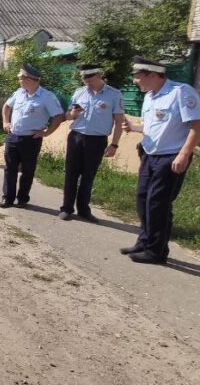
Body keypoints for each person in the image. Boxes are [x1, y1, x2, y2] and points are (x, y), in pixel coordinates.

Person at [119, 56, 200, 264]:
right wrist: (134, 128)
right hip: (149, 154)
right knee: (142, 198)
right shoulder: (151, 96)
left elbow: (196, 126)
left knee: (158, 203)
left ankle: (156, 251)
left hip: (171, 156)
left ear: (152, 74)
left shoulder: (180, 93)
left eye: (137, 77)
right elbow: (152, 125)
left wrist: (184, 154)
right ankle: (144, 241)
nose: (135, 81)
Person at [58, 64, 125, 222]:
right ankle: (67, 208)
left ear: (98, 75)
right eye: (83, 78)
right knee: (71, 174)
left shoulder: (114, 95)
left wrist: (114, 144)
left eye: (89, 77)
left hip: (97, 140)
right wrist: (72, 114)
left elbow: (119, 121)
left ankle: (83, 210)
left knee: (88, 176)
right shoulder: (79, 92)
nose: (85, 81)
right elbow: (68, 115)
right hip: (76, 137)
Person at [0, 63, 65, 208]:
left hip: (31, 139)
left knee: (28, 170)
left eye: (20, 77)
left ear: (29, 79)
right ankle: (7, 198)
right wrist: (5, 121)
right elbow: (6, 106)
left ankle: (22, 198)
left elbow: (58, 116)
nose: (18, 80)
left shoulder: (47, 97)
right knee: (9, 169)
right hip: (13, 136)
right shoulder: (19, 93)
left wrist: (47, 132)